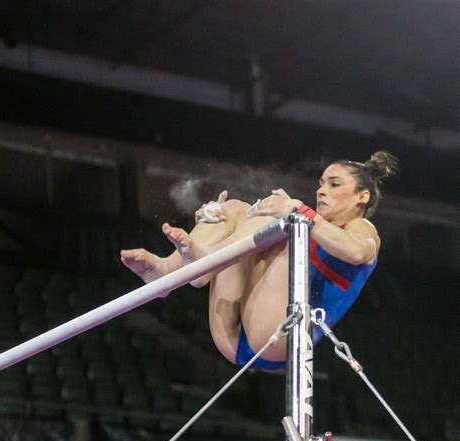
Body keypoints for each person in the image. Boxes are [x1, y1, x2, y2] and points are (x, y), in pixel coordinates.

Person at [121, 151, 398, 369]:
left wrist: (297, 210)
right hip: (234, 334)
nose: (321, 191)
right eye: (321, 183)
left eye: (334, 184)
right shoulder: (308, 225)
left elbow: (357, 252)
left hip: (280, 339)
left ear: (363, 196)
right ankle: (169, 272)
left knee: (279, 222)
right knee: (234, 209)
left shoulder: (361, 229)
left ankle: (205, 260)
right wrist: (217, 224)